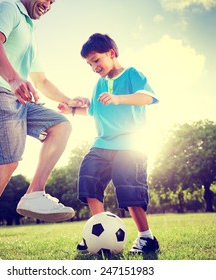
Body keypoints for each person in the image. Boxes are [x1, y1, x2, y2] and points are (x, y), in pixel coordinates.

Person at [0, 0, 81, 260]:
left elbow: (41, 80)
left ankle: (35, 193)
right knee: (7, 159)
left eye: (53, 2)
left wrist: (70, 102)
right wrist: (13, 79)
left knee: (60, 125)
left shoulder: (29, 30)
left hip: (16, 98)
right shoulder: (10, 8)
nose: (48, 5)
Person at [59, 33, 160, 254]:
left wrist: (118, 98)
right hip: (102, 143)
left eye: (96, 60)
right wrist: (72, 110)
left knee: (129, 189)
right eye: (89, 64)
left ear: (111, 53)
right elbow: (94, 111)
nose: (93, 66)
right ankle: (100, 234)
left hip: (131, 143)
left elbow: (147, 97)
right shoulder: (98, 84)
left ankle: (146, 237)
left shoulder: (132, 74)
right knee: (88, 179)